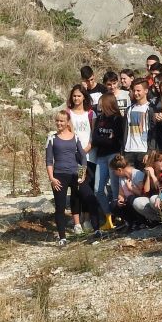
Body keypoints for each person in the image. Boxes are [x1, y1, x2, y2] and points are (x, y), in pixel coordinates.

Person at [46, 111, 96, 245]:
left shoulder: (75, 137)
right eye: (57, 120)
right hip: (59, 176)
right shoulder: (52, 138)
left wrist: (82, 174)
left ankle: (95, 229)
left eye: (62, 121)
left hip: (75, 174)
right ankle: (62, 237)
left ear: (67, 122)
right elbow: (49, 160)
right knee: (60, 207)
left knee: (88, 197)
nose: (59, 123)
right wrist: (51, 178)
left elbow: (83, 157)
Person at [91, 93, 125, 232]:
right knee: (98, 190)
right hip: (101, 156)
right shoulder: (100, 118)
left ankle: (120, 217)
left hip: (113, 155)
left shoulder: (118, 119)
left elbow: (116, 140)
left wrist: (105, 139)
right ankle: (108, 217)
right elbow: (95, 139)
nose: (99, 107)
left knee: (116, 188)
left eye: (102, 104)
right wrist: (107, 139)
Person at [65, 84, 95, 232]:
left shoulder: (90, 113)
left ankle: (87, 219)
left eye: (79, 96)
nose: (76, 98)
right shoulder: (68, 113)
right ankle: (77, 222)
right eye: (74, 96)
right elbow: (67, 133)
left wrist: (86, 149)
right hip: (74, 157)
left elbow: (93, 134)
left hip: (89, 156)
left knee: (87, 188)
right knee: (76, 188)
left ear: (84, 97)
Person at [110, 153, 147, 231]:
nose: (114, 174)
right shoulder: (122, 177)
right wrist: (120, 199)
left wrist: (131, 188)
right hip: (130, 203)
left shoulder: (137, 174)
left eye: (114, 171)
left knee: (131, 198)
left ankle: (142, 222)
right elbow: (121, 193)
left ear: (119, 170)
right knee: (113, 205)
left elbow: (143, 193)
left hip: (140, 203)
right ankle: (132, 222)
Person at [123, 79, 156, 167]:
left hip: (143, 150)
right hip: (129, 150)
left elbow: (154, 132)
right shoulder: (129, 109)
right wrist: (123, 150)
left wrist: (149, 151)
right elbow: (125, 130)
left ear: (146, 91)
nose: (135, 93)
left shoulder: (151, 109)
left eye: (138, 90)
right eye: (134, 90)